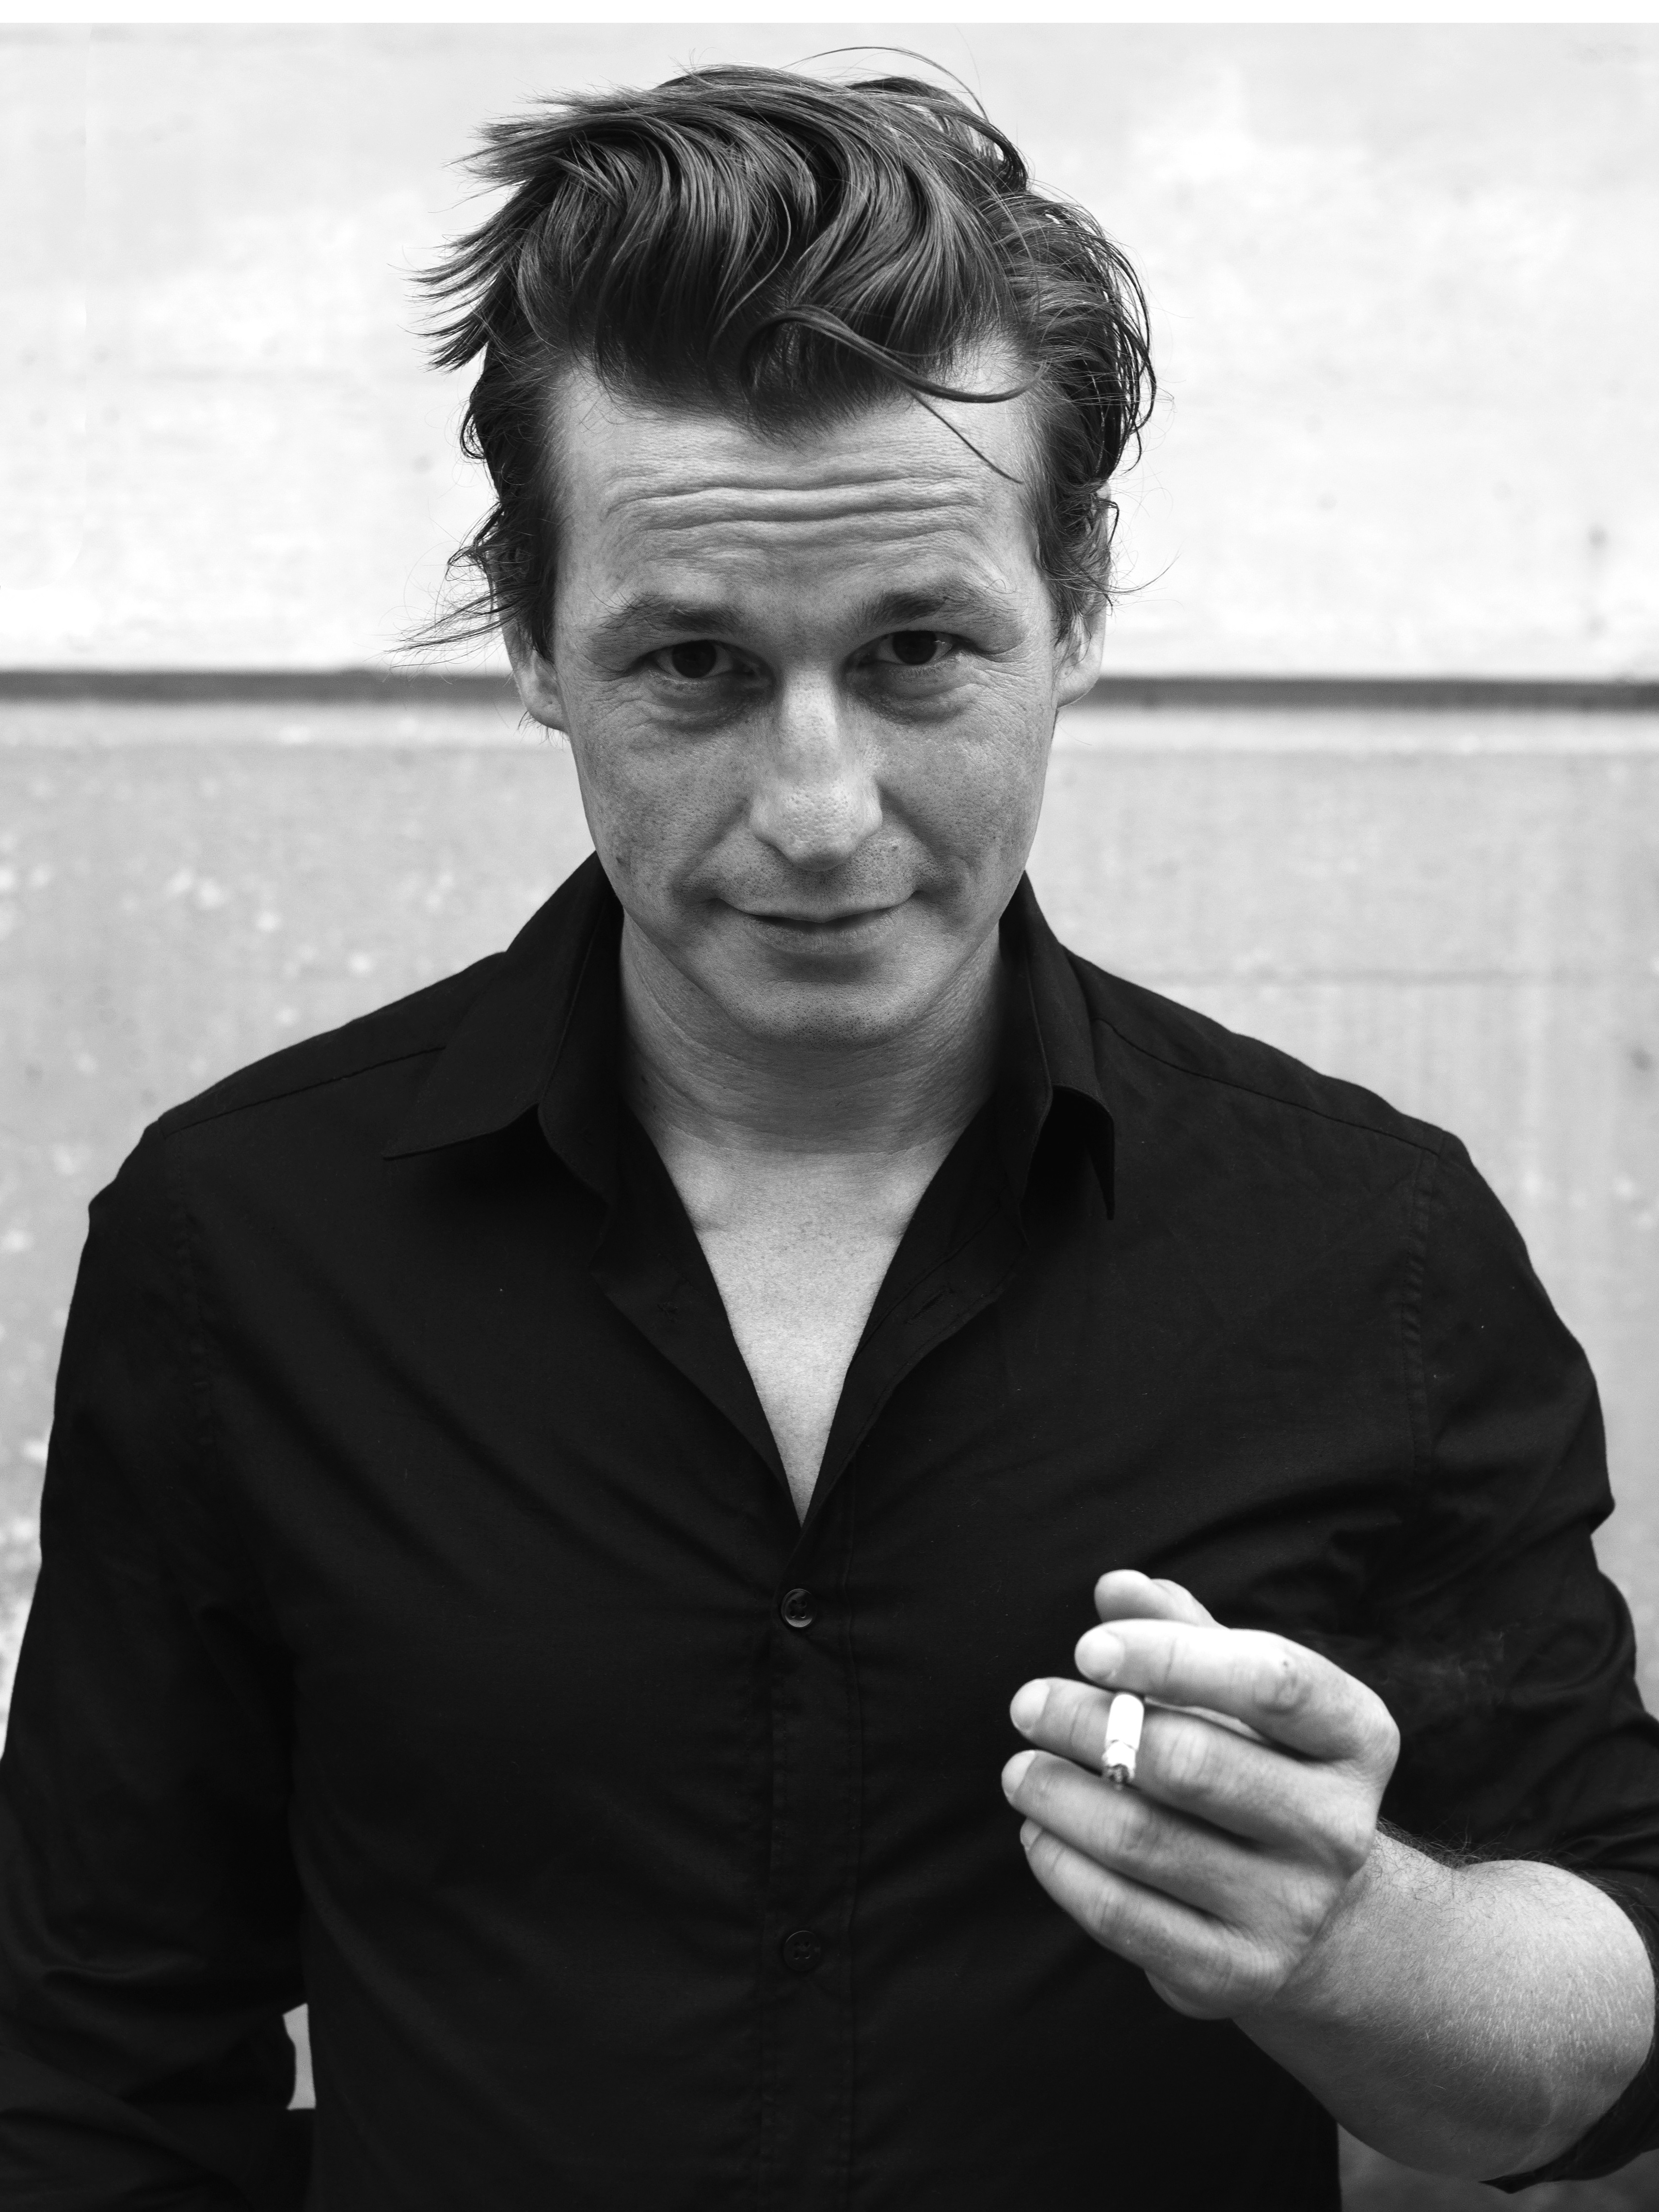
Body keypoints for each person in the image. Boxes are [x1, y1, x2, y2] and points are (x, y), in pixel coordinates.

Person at [1, 62, 1657, 2212]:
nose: (816, 810)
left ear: (1075, 607)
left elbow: (1592, 2063)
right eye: (693, 663)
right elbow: (99, 2071)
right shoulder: (244, 1243)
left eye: (918, 651)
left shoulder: (1369, 1247)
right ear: (532, 641)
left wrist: (1353, 1938)